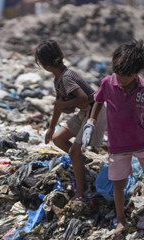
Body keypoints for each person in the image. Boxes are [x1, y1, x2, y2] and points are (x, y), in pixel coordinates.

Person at [88, 40, 144, 234]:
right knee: (119, 182)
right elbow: (98, 102)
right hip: (117, 145)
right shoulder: (107, 83)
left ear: (136, 72)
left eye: (126, 75)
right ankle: (121, 220)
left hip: (141, 141)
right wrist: (91, 121)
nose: (121, 79)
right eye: (119, 74)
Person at [34, 40, 108, 198]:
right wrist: (51, 128)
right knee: (58, 138)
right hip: (84, 112)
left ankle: (81, 192)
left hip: (95, 112)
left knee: (73, 151)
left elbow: (83, 99)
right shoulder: (58, 79)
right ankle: (80, 161)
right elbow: (58, 106)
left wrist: (64, 103)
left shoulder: (66, 77)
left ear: (44, 65)